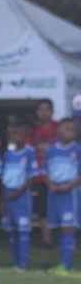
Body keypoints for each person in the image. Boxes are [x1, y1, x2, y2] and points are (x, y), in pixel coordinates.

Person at [0, 117, 38, 271]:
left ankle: (23, 264)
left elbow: (32, 176)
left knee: (23, 230)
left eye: (20, 134)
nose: (17, 137)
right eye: (14, 134)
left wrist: (18, 192)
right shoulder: (8, 154)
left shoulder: (29, 152)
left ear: (25, 135)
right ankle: (16, 264)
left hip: (22, 196)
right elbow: (3, 178)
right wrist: (2, 199)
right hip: (9, 195)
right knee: (12, 231)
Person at [43, 117, 80, 273]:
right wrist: (50, 184)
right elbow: (44, 171)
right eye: (67, 129)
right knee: (58, 227)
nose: (70, 133)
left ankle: (67, 264)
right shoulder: (51, 151)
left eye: (73, 130)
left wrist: (68, 185)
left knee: (68, 228)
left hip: (70, 193)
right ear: (58, 131)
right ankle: (63, 262)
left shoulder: (77, 150)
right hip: (54, 193)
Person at [27, 99, 57, 247]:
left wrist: (48, 148)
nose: (44, 112)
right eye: (41, 109)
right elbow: (28, 150)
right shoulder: (33, 132)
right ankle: (48, 242)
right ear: (37, 113)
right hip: (39, 178)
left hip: (57, 177)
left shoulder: (59, 128)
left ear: (52, 111)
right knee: (43, 211)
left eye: (47, 109)